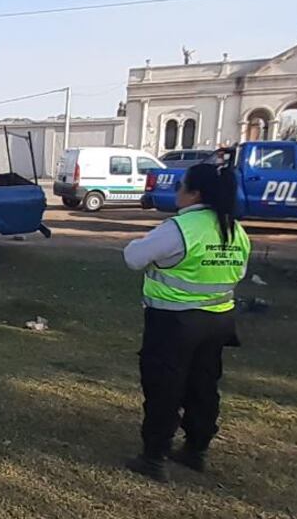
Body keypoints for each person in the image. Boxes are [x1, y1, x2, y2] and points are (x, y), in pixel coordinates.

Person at [121, 164, 251, 482]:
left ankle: (154, 457)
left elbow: (133, 257)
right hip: (219, 321)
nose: (177, 190)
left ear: (194, 193)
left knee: (165, 387)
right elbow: (240, 272)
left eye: (181, 185)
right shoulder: (234, 229)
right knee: (204, 385)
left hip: (175, 322)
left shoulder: (182, 227)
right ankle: (196, 449)